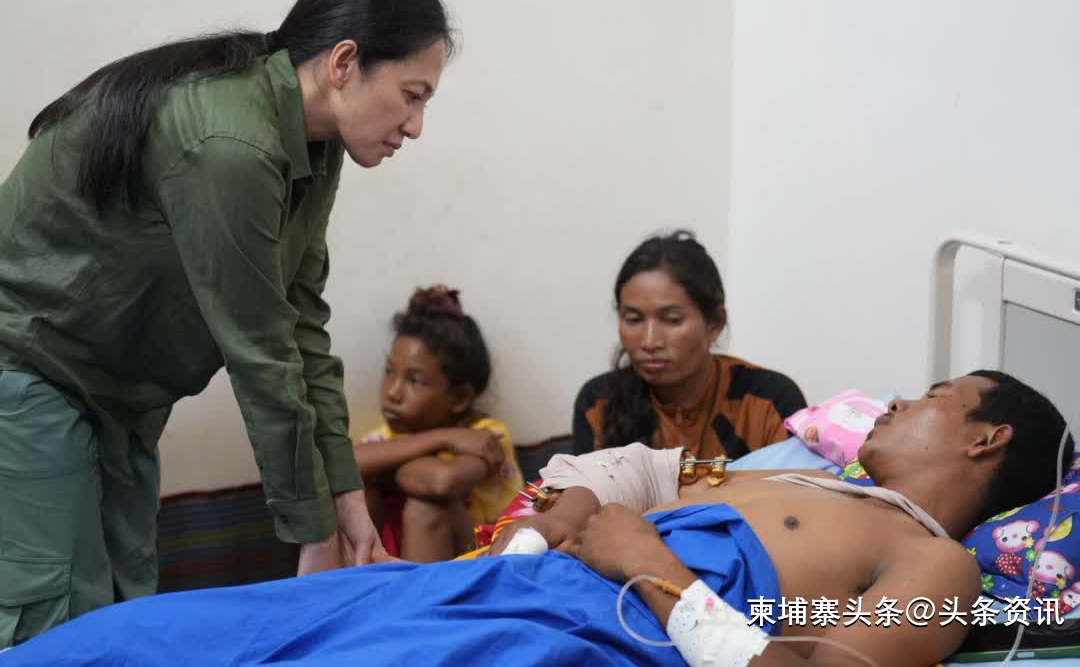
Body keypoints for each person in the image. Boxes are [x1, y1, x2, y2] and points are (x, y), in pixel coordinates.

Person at [1, 371, 1070, 667]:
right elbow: (618, 480)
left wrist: (651, 566)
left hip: (593, 632)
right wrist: (572, 514)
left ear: (985, 438)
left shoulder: (935, 564)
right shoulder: (793, 475)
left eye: (935, 395)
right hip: (488, 584)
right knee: (145, 635)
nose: (899, 399)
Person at [0, 0, 454, 645]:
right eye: (412, 95)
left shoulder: (317, 144)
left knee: (125, 610)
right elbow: (260, 352)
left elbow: (301, 327)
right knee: (55, 624)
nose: (415, 126)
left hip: (119, 396)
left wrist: (349, 505)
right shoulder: (231, 144)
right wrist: (313, 536)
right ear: (343, 63)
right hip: (29, 367)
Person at [573, 230, 807, 461]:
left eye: (672, 320)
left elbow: (795, 485)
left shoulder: (769, 400)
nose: (650, 342)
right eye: (634, 319)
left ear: (715, 323)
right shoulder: (598, 403)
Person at [353, 286, 523, 562]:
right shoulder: (387, 436)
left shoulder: (485, 436)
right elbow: (345, 467)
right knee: (356, 494)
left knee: (428, 508)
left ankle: (417, 593)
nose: (392, 392)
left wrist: (384, 469)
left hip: (481, 562)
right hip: (394, 563)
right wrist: (443, 438)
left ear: (460, 397)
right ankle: (359, 585)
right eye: (389, 372)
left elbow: (442, 482)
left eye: (415, 380)